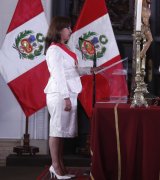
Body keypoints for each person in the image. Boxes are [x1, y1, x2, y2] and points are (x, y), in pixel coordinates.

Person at [44, 16, 98, 179]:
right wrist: (65, 97)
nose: (71, 31)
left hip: (68, 94)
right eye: (68, 28)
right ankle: (55, 165)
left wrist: (90, 70)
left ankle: (59, 164)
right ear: (58, 30)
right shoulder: (54, 50)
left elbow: (72, 71)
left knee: (61, 132)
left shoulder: (64, 49)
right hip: (60, 94)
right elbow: (59, 75)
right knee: (56, 130)